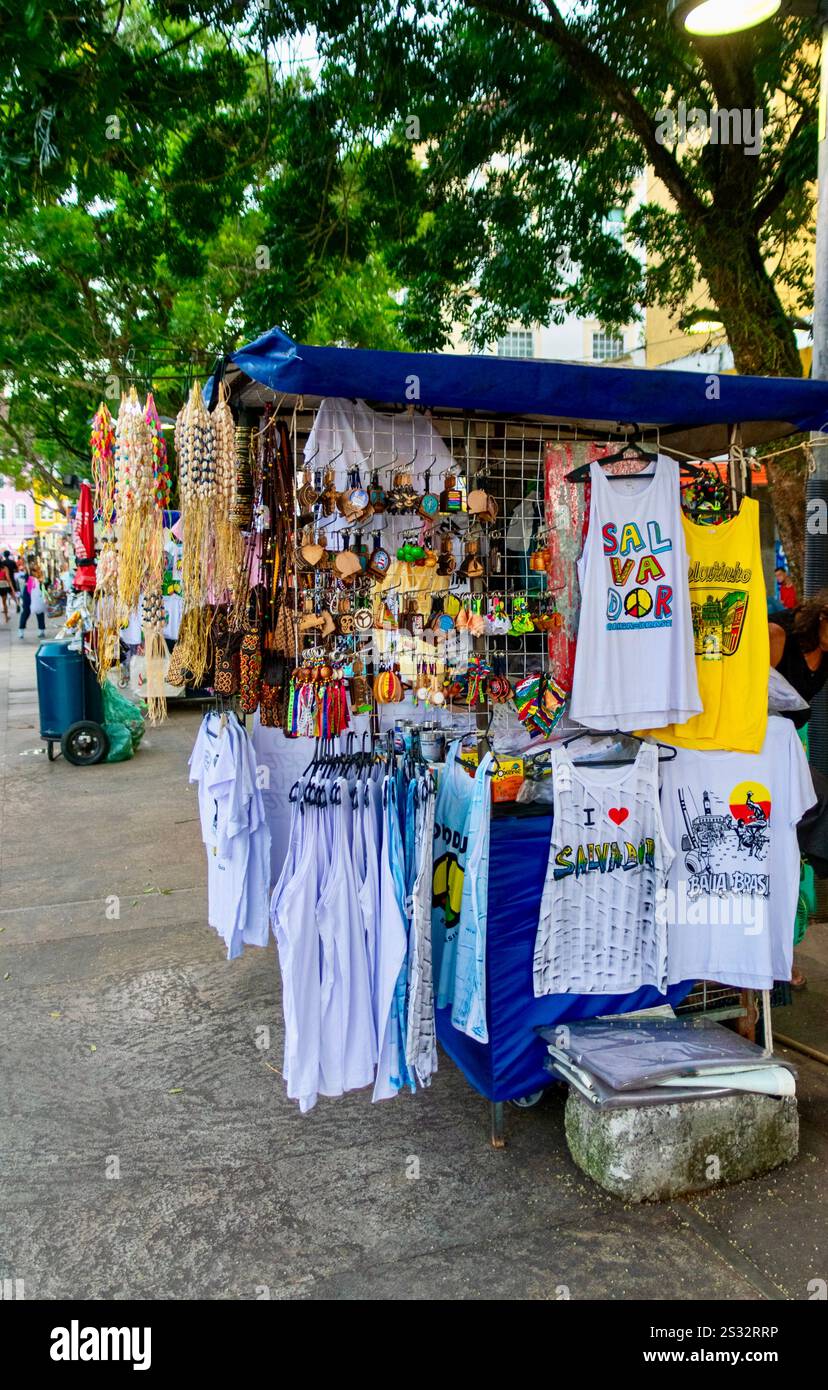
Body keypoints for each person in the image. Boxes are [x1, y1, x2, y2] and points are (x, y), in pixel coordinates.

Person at [769, 589, 828, 988]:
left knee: (792, 858)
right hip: (761, 746)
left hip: (793, 745)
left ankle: (784, 954)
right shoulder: (778, 635)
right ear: (822, 617)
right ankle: (772, 957)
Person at [18, 561, 46, 640]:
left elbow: (30, 589)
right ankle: (40, 630)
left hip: (31, 596)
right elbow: (30, 589)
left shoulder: (33, 577)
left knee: (29, 612)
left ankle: (22, 630)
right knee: (34, 612)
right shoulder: (31, 577)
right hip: (31, 597)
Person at [0, 551, 17, 622]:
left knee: (4, 602)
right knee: (4, 602)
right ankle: (6, 618)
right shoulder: (4, 568)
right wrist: (12, 588)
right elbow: (8, 578)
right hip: (4, 585)